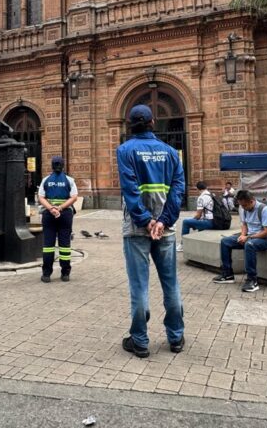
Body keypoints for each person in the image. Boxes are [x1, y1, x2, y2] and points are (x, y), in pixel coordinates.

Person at [117, 104, 186, 358]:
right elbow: (178, 190)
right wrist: (163, 221)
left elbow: (130, 190)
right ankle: (176, 338)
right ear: (152, 122)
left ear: (130, 124)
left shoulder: (125, 150)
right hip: (165, 230)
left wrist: (146, 221)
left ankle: (140, 340)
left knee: (139, 287)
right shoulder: (170, 153)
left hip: (137, 228)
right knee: (171, 284)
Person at [212, 190, 267, 292]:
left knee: (249, 245)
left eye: (245, 205)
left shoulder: (264, 210)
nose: (243, 208)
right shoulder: (243, 208)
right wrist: (242, 235)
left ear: (252, 201)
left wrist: (248, 238)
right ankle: (227, 274)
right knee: (225, 241)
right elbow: (244, 224)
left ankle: (252, 280)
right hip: (249, 237)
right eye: (241, 205)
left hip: (266, 239)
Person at [37, 156, 78, 283]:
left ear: (52, 166)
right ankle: (65, 273)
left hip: (49, 215)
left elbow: (41, 197)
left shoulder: (45, 180)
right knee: (65, 244)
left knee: (48, 245)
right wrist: (60, 208)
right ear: (63, 165)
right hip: (65, 214)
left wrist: (51, 209)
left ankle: (46, 274)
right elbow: (74, 197)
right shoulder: (69, 180)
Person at [178, 182, 215, 252]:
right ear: (206, 187)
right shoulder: (212, 195)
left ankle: (183, 245)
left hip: (209, 223)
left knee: (186, 222)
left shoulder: (201, 198)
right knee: (198, 222)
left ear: (198, 189)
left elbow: (198, 215)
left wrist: (192, 222)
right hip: (216, 221)